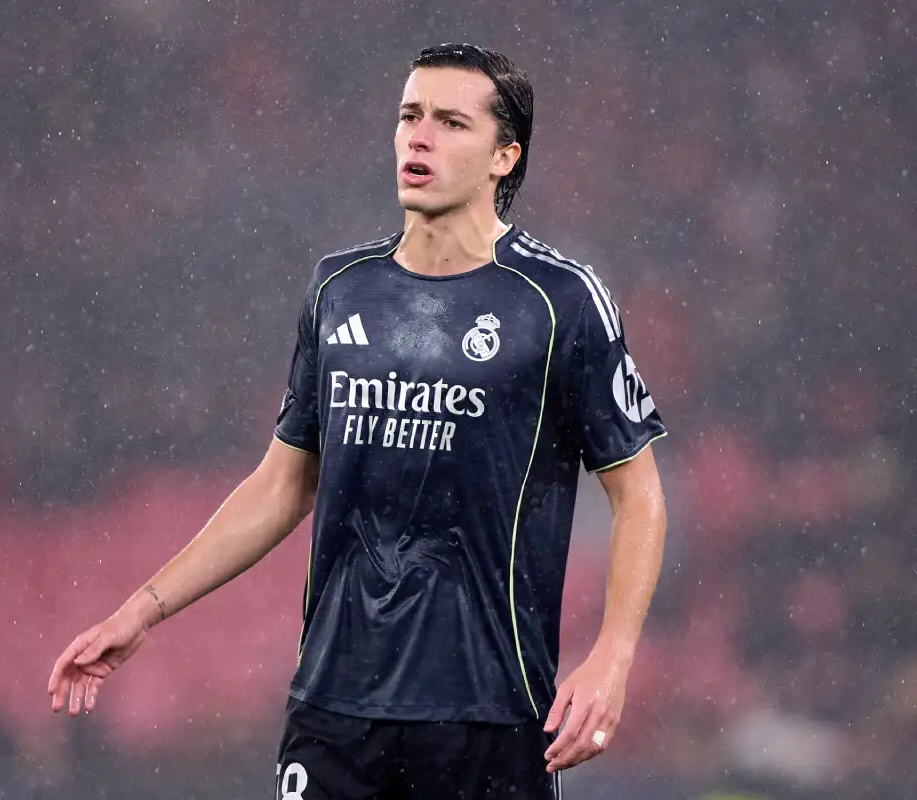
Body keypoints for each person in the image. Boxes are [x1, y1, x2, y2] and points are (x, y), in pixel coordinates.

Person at [48, 43, 668, 800]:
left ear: (505, 155)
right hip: (336, 705)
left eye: (449, 122)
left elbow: (637, 493)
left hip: (487, 710)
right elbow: (283, 484)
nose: (419, 136)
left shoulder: (559, 299)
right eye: (410, 116)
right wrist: (143, 610)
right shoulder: (340, 289)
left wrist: (614, 653)